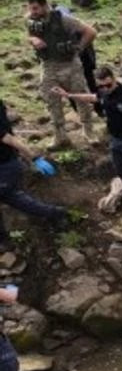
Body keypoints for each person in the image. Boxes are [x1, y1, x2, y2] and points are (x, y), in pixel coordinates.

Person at [54, 67, 122, 222]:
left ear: (114, 79)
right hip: (115, 139)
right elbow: (92, 97)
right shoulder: (103, 93)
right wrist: (68, 95)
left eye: (108, 85)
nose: (105, 89)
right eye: (101, 86)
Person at [27, 0, 97, 149]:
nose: (33, 12)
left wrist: (79, 48)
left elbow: (90, 32)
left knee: (81, 97)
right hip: (48, 65)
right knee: (51, 100)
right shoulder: (32, 21)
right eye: (31, 8)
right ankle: (60, 136)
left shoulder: (64, 20)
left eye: (36, 8)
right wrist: (33, 40)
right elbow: (29, 35)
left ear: (44, 5)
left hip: (70, 64)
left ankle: (89, 132)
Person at [0, 99, 68, 256]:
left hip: (5, 167)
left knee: (14, 197)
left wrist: (34, 158)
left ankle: (4, 241)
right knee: (13, 198)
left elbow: (8, 138)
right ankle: (55, 213)